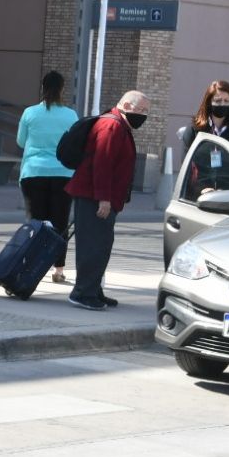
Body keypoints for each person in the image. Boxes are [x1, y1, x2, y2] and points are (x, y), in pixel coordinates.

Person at [65, 89, 148, 312]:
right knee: (92, 246)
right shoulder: (112, 126)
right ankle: (82, 293)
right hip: (94, 198)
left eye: (146, 111)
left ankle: (93, 289)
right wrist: (103, 198)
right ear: (126, 106)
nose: (144, 115)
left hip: (99, 197)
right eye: (141, 110)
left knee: (101, 245)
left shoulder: (119, 125)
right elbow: (102, 163)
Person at [15, 70, 78, 285]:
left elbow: (21, 141)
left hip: (33, 172)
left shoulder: (30, 113)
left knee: (36, 222)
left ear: (42, 88)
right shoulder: (71, 116)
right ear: (62, 89)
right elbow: (74, 144)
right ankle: (58, 270)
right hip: (63, 173)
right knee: (60, 222)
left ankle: (31, 265)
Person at [183, 79, 229, 197]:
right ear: (209, 101)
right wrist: (200, 188)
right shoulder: (195, 128)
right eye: (218, 101)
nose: (222, 104)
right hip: (197, 195)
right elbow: (186, 164)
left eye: (226, 101)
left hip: (228, 195)